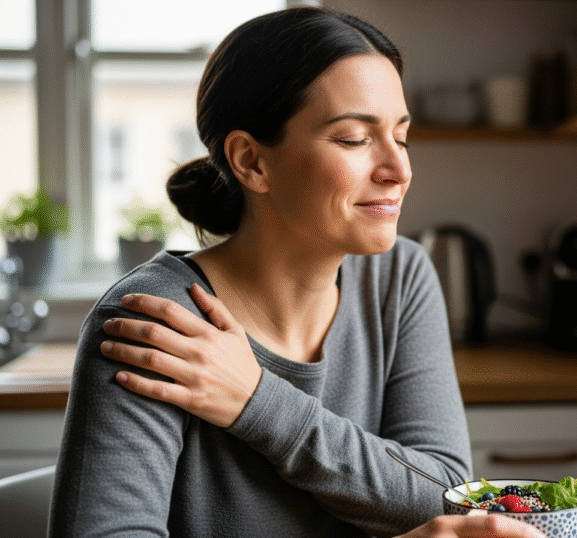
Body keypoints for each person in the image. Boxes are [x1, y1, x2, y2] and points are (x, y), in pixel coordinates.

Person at [48, 7, 544, 538]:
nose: (400, 169)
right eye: (355, 138)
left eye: (400, 136)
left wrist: (257, 402)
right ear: (252, 162)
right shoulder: (155, 321)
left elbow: (442, 494)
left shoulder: (400, 278)